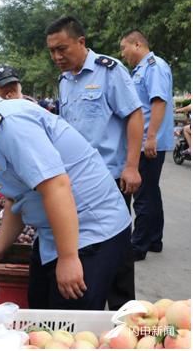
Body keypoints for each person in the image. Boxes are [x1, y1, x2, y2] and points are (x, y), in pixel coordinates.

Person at [0, 73, 132, 310]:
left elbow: (56, 186)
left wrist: (68, 257)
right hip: (56, 236)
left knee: (66, 330)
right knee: (39, 315)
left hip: (91, 233)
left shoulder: (11, 123)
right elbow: (18, 198)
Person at [46, 16, 143, 310]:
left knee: (118, 250)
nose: (57, 57)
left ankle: (124, 316)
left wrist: (132, 165)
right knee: (86, 247)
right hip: (76, 180)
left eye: (62, 49)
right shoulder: (64, 81)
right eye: (51, 51)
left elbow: (134, 116)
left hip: (110, 177)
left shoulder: (109, 71)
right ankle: (90, 315)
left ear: (81, 42)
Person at [120, 30, 175, 261]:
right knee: (151, 191)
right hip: (146, 141)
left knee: (142, 194)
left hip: (148, 142)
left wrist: (150, 136)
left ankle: (138, 245)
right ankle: (154, 239)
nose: (123, 54)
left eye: (124, 48)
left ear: (137, 44)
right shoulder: (142, 69)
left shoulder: (154, 66)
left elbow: (158, 101)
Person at [0, 64, 35, 198]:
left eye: (12, 85)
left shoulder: (31, 106)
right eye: (3, 87)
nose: (8, 91)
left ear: (19, 85)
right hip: (0, 173)